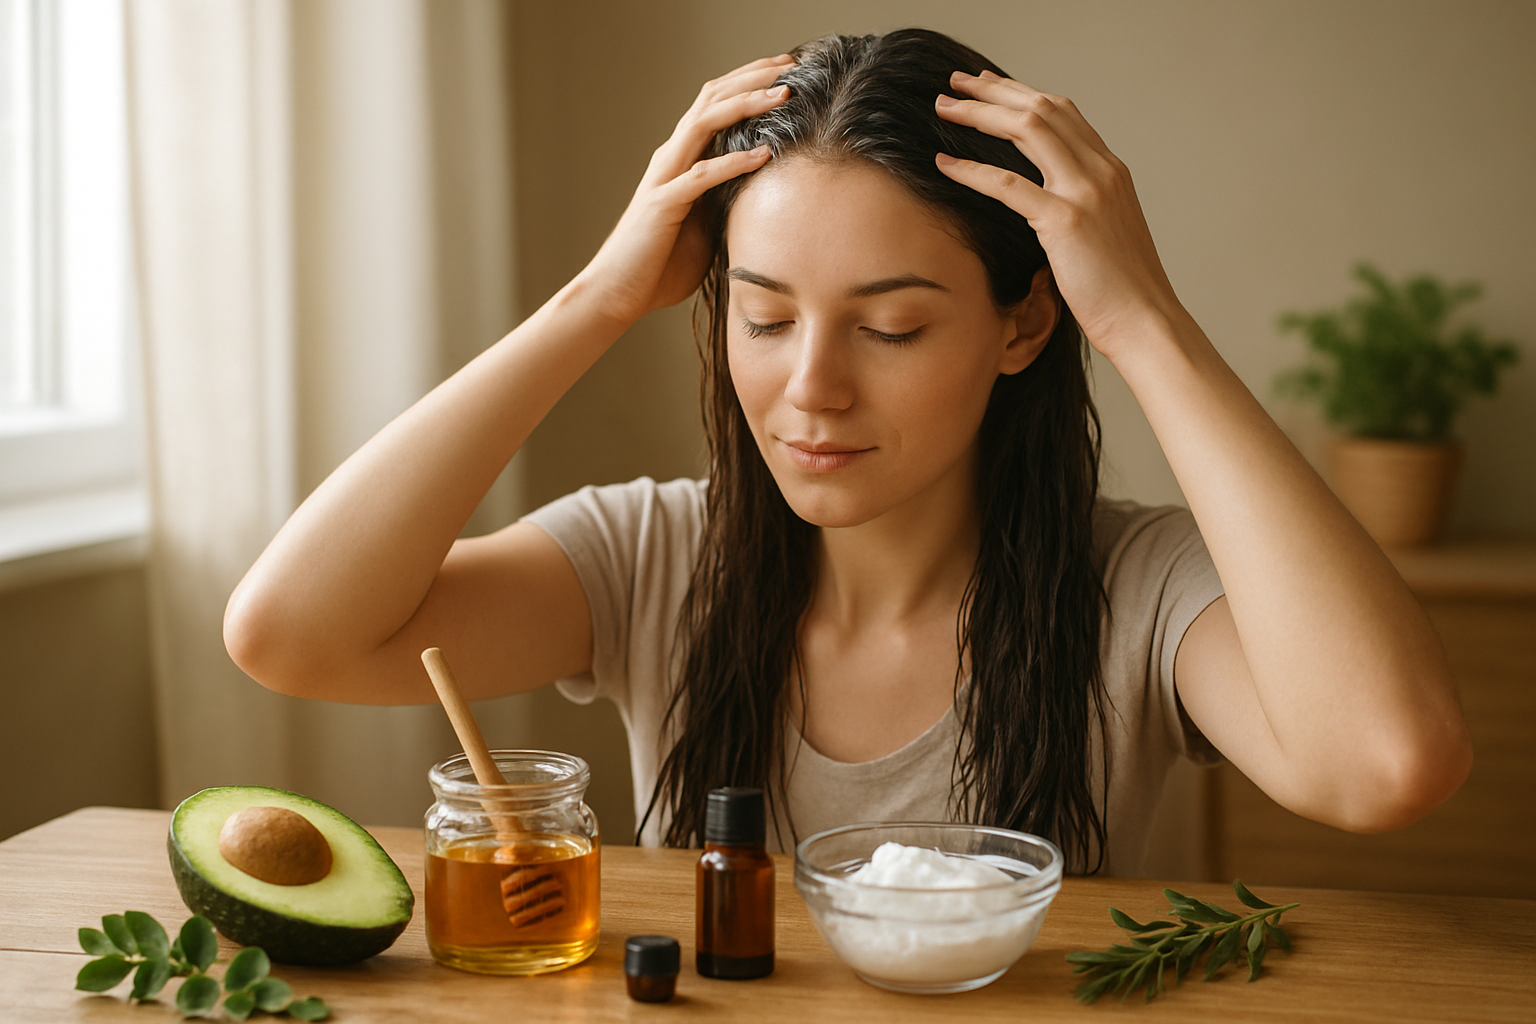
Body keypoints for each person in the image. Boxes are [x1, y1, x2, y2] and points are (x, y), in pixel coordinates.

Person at [224, 29, 1471, 873]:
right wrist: (593, 302)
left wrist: (1142, 317)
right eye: (762, 317)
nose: (808, 387)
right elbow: (291, 634)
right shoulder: (654, 557)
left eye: (889, 326)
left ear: (1023, 323)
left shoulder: (1135, 590)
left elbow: (1386, 764)